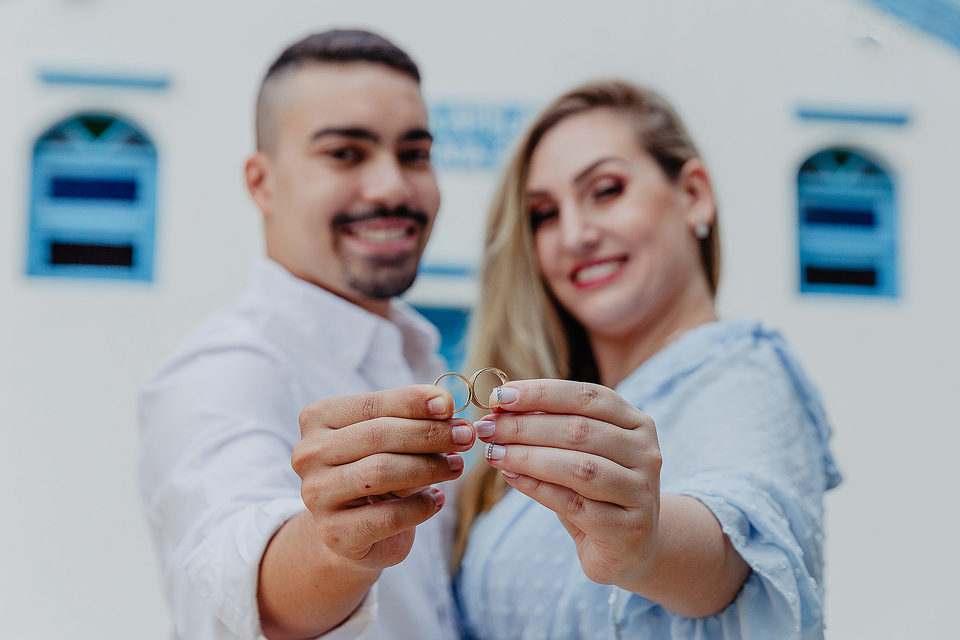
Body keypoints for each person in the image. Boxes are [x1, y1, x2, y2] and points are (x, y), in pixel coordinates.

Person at [453, 80, 842, 639]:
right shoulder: (541, 420)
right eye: (544, 214)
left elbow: (736, 541)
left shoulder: (742, 370)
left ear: (694, 195)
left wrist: (649, 543)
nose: (575, 235)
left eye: (606, 190)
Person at [139, 30, 474, 640]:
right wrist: (335, 548)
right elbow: (238, 575)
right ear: (261, 183)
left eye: (414, 154)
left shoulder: (418, 353)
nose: (392, 187)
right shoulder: (222, 369)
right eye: (345, 153)